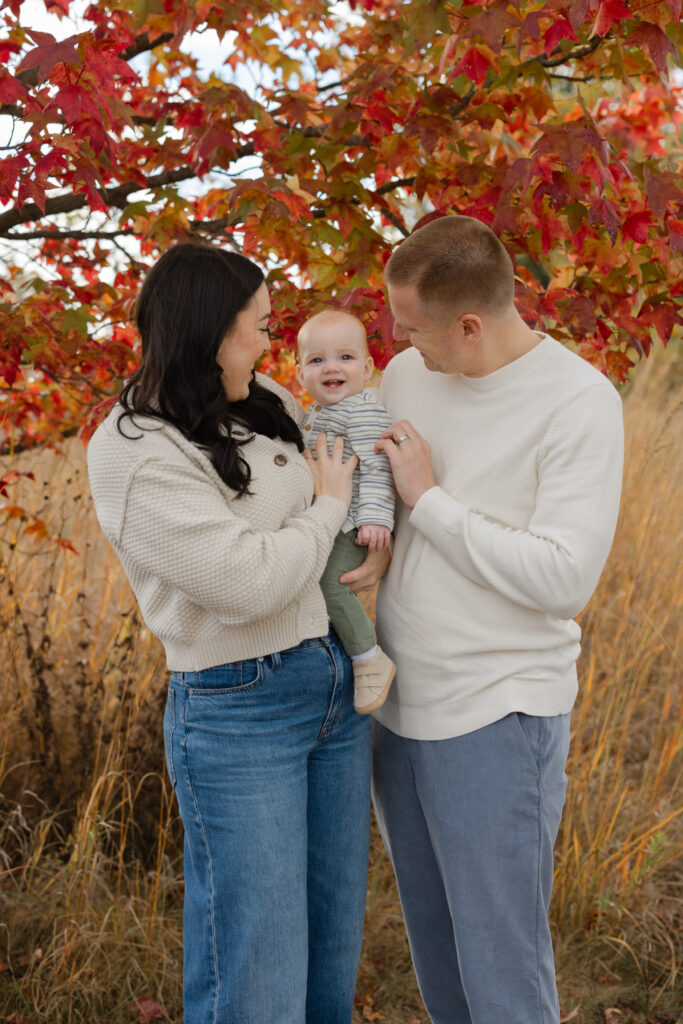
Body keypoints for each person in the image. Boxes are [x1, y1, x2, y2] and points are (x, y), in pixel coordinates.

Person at [87, 241, 377, 1024]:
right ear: (211, 331)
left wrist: (358, 538)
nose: (269, 342)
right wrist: (322, 511)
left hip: (329, 685)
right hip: (238, 708)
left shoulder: (263, 398)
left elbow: (332, 504)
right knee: (258, 963)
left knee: (327, 948)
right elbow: (247, 582)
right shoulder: (134, 450)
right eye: (257, 326)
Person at [371, 215, 624, 1024]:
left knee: (501, 969)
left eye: (413, 328)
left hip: (496, 710)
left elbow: (562, 577)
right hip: (399, 705)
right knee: (439, 961)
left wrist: (430, 501)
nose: (401, 343)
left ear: (470, 325)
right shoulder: (409, 375)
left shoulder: (577, 402)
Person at [296, 309, 396, 713]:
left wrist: (376, 520)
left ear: (368, 368)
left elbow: (377, 467)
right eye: (317, 360)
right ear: (300, 371)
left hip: (353, 523)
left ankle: (369, 657)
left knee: (330, 584)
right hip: (328, 518)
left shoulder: (363, 411)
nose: (331, 367)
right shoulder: (315, 413)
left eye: (345, 358)